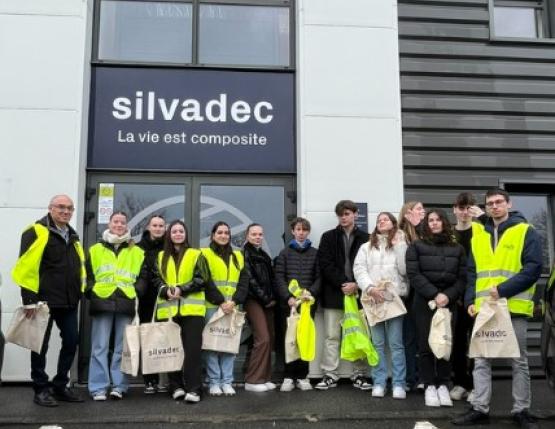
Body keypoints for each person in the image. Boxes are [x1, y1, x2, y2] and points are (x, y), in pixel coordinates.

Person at [453, 188, 542, 429]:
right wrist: (471, 300)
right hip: (484, 308)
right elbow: (473, 271)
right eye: (490, 203)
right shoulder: (478, 234)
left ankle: (521, 410)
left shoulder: (525, 231)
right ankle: (480, 409)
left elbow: (533, 268)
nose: (494, 206)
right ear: (485, 207)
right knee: (481, 359)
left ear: (508, 204)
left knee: (519, 361)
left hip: (514, 306)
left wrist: (503, 290)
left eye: (498, 202)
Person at [11, 194, 85, 406]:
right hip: (42, 301)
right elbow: (26, 268)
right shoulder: (35, 231)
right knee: (39, 346)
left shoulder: (73, 235)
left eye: (69, 208)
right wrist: (29, 300)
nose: (66, 211)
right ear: (50, 208)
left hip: (69, 300)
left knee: (72, 341)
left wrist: (80, 292)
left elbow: (77, 267)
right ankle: (41, 388)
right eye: (61, 207)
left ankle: (60, 385)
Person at [406, 208, 466, 408]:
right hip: (425, 302)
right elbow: (414, 275)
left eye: (438, 219)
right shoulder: (416, 246)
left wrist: (447, 296)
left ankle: (443, 385)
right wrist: (434, 294)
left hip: (448, 302)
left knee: (446, 344)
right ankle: (429, 385)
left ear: (444, 223)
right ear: (426, 224)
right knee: (426, 345)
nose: (434, 223)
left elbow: (462, 277)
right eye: (430, 220)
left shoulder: (457, 248)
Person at [86, 211, 147, 401]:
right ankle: (98, 388)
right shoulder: (95, 249)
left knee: (122, 348)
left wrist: (137, 291)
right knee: (99, 347)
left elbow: (143, 277)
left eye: (122, 222)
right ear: (110, 224)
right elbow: (86, 275)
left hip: (126, 301)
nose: (119, 225)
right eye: (116, 221)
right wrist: (91, 291)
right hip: (101, 301)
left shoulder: (137, 251)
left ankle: (119, 386)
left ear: (127, 226)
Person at [316, 200, 371, 391]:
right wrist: (343, 284)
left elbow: (370, 265)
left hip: (359, 294)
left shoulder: (367, 238)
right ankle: (330, 374)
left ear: (356, 214)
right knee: (332, 336)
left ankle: (360, 374)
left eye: (347, 213)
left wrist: (357, 284)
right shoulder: (328, 237)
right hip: (334, 294)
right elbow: (325, 264)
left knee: (359, 334)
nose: (344, 217)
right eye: (340, 214)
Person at [152, 220, 208, 403]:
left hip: (192, 311)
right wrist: (164, 290)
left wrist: (182, 289)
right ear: (169, 235)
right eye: (174, 231)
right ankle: (175, 386)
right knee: (172, 350)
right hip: (168, 311)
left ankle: (194, 389)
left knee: (192, 352)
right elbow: (155, 279)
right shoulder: (161, 256)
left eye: (181, 231)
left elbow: (202, 278)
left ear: (185, 234)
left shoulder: (196, 254)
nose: (177, 234)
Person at [353, 212, 408, 399]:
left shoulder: (400, 244)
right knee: (377, 343)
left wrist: (400, 246)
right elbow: (359, 269)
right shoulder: (366, 247)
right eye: (379, 220)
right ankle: (379, 382)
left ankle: (399, 383)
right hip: (373, 299)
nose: (381, 222)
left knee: (396, 344)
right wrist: (369, 288)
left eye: (386, 219)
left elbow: (404, 270)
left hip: (394, 299)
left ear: (393, 224)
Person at [202, 221, 249, 397]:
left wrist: (234, 301)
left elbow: (244, 281)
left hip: (233, 307)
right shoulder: (204, 254)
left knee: (229, 345)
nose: (223, 235)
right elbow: (205, 280)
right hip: (212, 306)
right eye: (219, 232)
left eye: (226, 233)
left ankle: (227, 381)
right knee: (212, 346)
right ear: (213, 235)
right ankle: (214, 381)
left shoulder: (238, 255)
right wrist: (221, 301)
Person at [275, 217, 320, 392]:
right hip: (289, 305)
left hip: (308, 304)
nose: (301, 233)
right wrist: (288, 296)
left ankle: (303, 376)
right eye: (298, 229)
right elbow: (279, 277)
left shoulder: (315, 253)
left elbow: (319, 277)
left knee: (304, 339)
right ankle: (288, 376)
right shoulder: (284, 253)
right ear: (293, 231)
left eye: (304, 230)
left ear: (308, 232)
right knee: (289, 340)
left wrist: (311, 293)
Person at [450, 192, 484, 401]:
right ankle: (460, 383)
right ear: (454, 209)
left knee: (478, 340)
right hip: (456, 295)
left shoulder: (482, 229)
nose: (464, 212)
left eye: (468, 208)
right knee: (457, 341)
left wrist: (483, 218)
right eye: (461, 208)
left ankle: (476, 386)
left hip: (478, 293)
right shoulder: (450, 234)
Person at [242, 223, 278, 392]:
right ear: (247, 236)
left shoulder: (263, 255)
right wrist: (266, 298)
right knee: (262, 338)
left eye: (260, 234)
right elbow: (250, 280)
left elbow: (271, 280)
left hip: (268, 301)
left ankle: (265, 377)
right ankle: (253, 380)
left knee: (269, 339)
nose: (257, 237)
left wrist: (273, 298)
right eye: (254, 234)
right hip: (253, 300)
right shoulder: (245, 254)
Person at [137, 214, 166, 394]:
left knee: (164, 339)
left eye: (161, 226)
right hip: (146, 299)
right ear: (148, 227)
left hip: (165, 299)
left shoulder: (169, 248)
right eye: (154, 225)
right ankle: (149, 380)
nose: (158, 228)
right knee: (147, 338)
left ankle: (163, 379)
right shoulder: (139, 248)